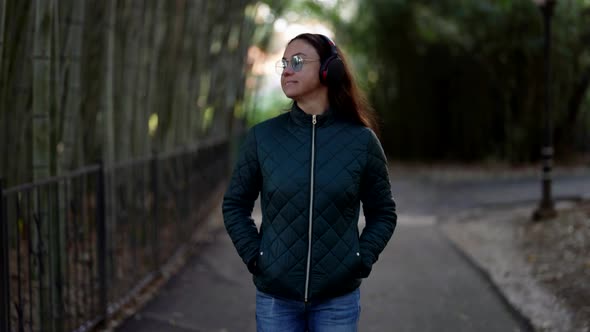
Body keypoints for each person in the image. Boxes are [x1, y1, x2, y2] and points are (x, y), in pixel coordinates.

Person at [222, 33, 397, 332]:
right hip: (276, 298)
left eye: (298, 61)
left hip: (337, 299)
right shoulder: (263, 138)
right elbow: (235, 205)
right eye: (285, 63)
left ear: (330, 69)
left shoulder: (361, 141)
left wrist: (360, 258)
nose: (287, 69)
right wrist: (255, 256)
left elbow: (383, 213)